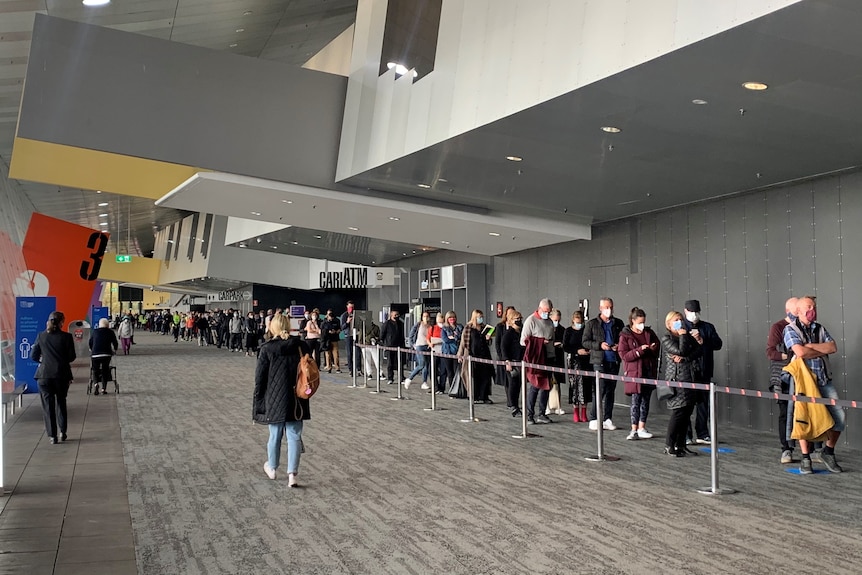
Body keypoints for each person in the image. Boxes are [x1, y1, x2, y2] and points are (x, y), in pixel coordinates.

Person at [783, 296, 843, 474]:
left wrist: (810, 346)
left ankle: (828, 451)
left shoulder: (820, 328)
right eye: (808, 307)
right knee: (804, 419)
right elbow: (799, 352)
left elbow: (832, 347)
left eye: (814, 307)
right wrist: (816, 348)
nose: (812, 310)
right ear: (799, 311)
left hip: (824, 380)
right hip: (804, 382)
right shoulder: (790, 329)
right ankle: (805, 458)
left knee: (839, 418)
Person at [253, 313, 311, 487]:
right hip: (297, 396)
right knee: (294, 435)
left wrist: (258, 403)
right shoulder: (301, 346)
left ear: (273, 327)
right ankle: (292, 474)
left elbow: (260, 379)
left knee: (275, 435)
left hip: (274, 397)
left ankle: (272, 467)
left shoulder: (267, 348)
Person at [660, 311, 702, 457]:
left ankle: (681, 445)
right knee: (678, 412)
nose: (679, 322)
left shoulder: (688, 337)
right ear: (668, 324)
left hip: (689, 378)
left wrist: (686, 358)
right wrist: (684, 335)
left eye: (680, 319)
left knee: (687, 412)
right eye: (675, 320)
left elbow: (698, 351)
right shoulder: (666, 338)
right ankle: (669, 445)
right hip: (676, 380)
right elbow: (681, 350)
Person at [31, 311, 76, 444]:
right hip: (61, 375)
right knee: (61, 403)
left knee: (47, 406)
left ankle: (52, 436)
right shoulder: (66, 337)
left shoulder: (41, 336)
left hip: (44, 376)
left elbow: (33, 356)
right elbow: (72, 357)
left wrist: (44, 361)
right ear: (62, 322)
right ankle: (63, 432)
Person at [683, 299, 723, 444]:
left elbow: (718, 344)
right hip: (687, 372)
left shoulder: (708, 327)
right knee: (686, 404)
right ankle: (686, 435)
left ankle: (702, 432)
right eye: (691, 311)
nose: (694, 315)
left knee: (703, 404)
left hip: (704, 369)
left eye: (696, 312)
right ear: (685, 311)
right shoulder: (680, 326)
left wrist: (703, 340)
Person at [582, 297, 624, 430]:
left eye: (610, 307)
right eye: (606, 307)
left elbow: (622, 338)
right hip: (599, 360)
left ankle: (608, 418)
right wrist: (599, 345)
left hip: (614, 360)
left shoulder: (618, 323)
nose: (609, 310)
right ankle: (594, 417)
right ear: (600, 308)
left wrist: (618, 345)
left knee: (611, 390)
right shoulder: (592, 324)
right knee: (599, 390)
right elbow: (585, 342)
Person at [617, 307, 660, 440]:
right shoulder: (625, 336)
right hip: (634, 372)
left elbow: (657, 345)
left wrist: (653, 348)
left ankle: (642, 427)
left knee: (646, 400)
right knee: (636, 401)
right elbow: (624, 355)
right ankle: (633, 429)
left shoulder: (649, 332)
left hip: (648, 370)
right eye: (640, 322)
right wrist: (639, 350)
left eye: (644, 322)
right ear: (633, 321)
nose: (642, 325)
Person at [767, 297, 798, 464]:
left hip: (799, 376)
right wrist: (789, 356)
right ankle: (786, 449)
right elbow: (771, 352)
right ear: (788, 312)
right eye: (796, 312)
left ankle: (813, 449)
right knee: (785, 413)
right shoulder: (778, 327)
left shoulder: (802, 326)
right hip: (782, 377)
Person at [520, 298, 555, 424]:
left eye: (549, 312)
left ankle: (542, 413)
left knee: (546, 386)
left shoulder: (550, 322)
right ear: (539, 309)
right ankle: (529, 414)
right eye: (546, 311)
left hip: (548, 356)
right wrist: (540, 341)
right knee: (535, 386)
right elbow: (523, 340)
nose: (547, 314)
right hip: (535, 358)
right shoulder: (531, 321)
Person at [562, 310, 593, 423]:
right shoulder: (568, 331)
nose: (579, 324)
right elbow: (565, 346)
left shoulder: (585, 331)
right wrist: (576, 351)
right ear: (573, 321)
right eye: (577, 322)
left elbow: (589, 342)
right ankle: (576, 411)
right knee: (574, 385)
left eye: (580, 322)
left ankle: (584, 412)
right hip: (573, 360)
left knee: (585, 385)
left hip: (585, 360)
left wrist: (587, 351)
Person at [457, 309, 494, 403]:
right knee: (473, 376)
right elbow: (463, 342)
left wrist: (488, 338)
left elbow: (488, 342)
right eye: (479, 317)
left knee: (485, 376)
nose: (481, 319)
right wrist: (460, 355)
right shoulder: (468, 328)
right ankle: (473, 395)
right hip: (471, 354)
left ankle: (484, 396)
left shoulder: (484, 327)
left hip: (484, 355)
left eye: (482, 317)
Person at [500, 309, 524, 416]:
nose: (519, 321)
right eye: (516, 319)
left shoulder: (522, 332)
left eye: (520, 319)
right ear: (511, 321)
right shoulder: (508, 334)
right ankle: (513, 405)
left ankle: (517, 405)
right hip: (512, 362)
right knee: (513, 384)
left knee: (518, 384)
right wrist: (507, 361)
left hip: (521, 361)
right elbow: (503, 348)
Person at [88, 317, 118, 395]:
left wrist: (92, 349)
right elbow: (115, 342)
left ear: (99, 325)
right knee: (105, 370)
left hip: (95, 354)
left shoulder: (95, 332)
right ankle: (103, 389)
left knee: (95, 370)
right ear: (108, 325)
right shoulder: (110, 332)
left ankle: (96, 384)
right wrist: (115, 349)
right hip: (106, 354)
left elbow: (90, 342)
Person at [404, 311, 431, 389]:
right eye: (424, 316)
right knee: (421, 364)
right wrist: (413, 344)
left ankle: (424, 382)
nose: (426, 318)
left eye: (427, 316)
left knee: (426, 365)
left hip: (427, 346)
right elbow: (411, 334)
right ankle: (409, 378)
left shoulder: (430, 326)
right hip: (419, 346)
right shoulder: (419, 325)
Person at [547, 309, 566, 416]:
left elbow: (565, 341)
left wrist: (561, 344)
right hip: (548, 357)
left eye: (558, 320)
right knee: (547, 382)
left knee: (557, 382)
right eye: (555, 320)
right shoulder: (546, 328)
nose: (556, 322)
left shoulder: (562, 329)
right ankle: (547, 406)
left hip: (558, 358)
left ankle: (558, 406)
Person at [380, 309, 405, 383]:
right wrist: (383, 343)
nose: (397, 316)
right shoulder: (387, 324)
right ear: (391, 315)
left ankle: (401, 377)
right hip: (389, 345)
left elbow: (402, 334)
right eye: (395, 315)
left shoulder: (400, 323)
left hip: (399, 345)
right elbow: (382, 334)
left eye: (398, 315)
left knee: (400, 363)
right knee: (390, 363)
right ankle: (390, 378)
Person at [440, 311, 463, 391]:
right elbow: (445, 340)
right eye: (450, 317)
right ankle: (452, 389)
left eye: (453, 317)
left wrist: (453, 337)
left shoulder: (460, 327)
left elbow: (461, 339)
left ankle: (458, 389)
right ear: (447, 319)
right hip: (447, 352)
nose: (452, 319)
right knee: (450, 373)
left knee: (457, 371)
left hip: (457, 352)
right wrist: (455, 338)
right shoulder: (444, 328)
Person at [340, 302, 361, 376]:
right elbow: (342, 327)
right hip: (348, 335)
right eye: (350, 307)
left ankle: (359, 369)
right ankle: (351, 370)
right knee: (349, 353)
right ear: (347, 307)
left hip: (356, 334)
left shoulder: (357, 314)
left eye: (352, 307)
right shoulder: (344, 315)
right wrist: (347, 322)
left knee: (358, 352)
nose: (351, 309)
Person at [428, 313, 446, 393]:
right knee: (432, 369)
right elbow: (428, 338)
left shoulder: (445, 328)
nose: (440, 324)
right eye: (439, 322)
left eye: (442, 322)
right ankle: (435, 387)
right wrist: (430, 344)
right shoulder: (432, 328)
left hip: (443, 351)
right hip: (435, 351)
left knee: (443, 370)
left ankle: (442, 387)